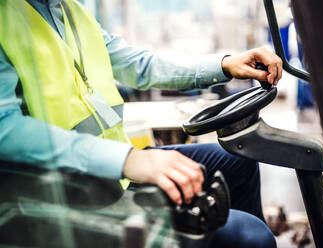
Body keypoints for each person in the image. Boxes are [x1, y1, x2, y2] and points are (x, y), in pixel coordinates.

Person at [0, 0, 282, 247]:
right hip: (63, 192)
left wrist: (224, 65)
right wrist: (127, 159)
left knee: (238, 159)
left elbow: (140, 65)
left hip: (114, 171)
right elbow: (6, 130)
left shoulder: (69, 11)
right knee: (251, 237)